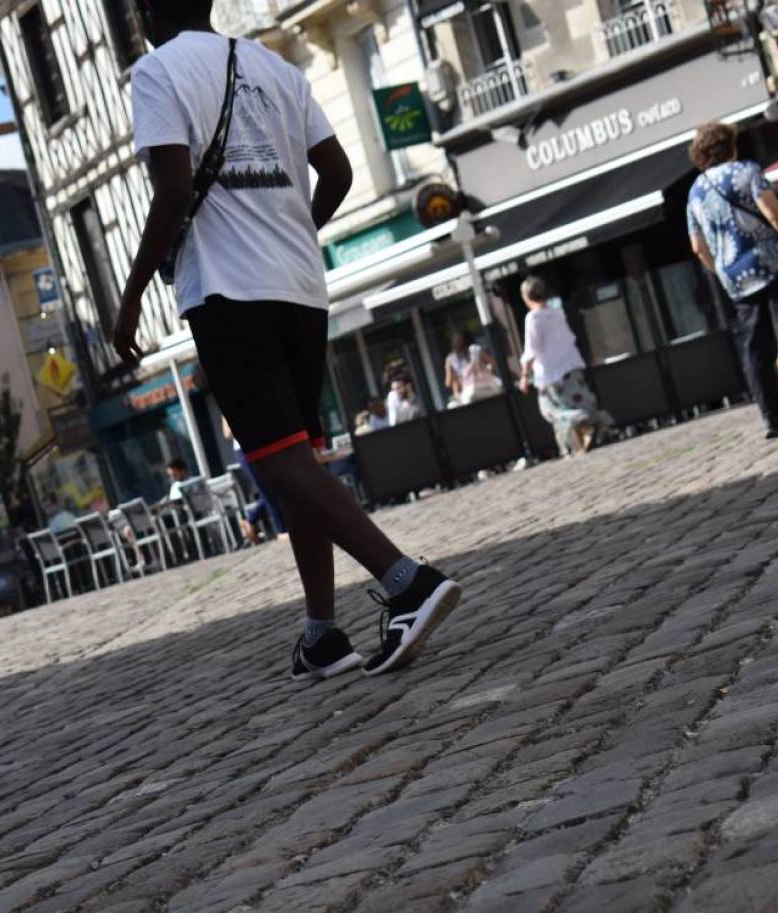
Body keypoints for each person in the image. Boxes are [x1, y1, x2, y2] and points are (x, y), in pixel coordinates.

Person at [115, 0, 462, 679]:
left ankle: (405, 582)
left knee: (278, 462)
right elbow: (337, 173)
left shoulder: (157, 72)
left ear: (146, 12)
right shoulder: (273, 67)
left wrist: (130, 298)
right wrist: (293, 231)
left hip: (226, 289)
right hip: (299, 286)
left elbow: (173, 186)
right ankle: (321, 631)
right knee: (297, 459)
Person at [686, 121, 778, 439]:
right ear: (730, 146)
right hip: (775, 264)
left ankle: (771, 416)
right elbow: (774, 214)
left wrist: (721, 270)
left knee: (756, 347)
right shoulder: (745, 172)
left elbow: (697, 247)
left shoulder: (695, 192)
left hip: (736, 278)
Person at [518, 276, 615, 456]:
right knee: (579, 401)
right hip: (571, 364)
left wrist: (524, 375)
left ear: (526, 296)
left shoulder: (533, 318)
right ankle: (588, 436)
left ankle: (584, 422)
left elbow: (532, 349)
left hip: (551, 373)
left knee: (550, 410)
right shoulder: (557, 312)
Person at [446, 331, 501, 406]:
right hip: (488, 387)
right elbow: (493, 363)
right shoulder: (476, 349)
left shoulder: (450, 359)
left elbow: (448, 382)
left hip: (469, 392)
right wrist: (487, 369)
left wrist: (460, 380)